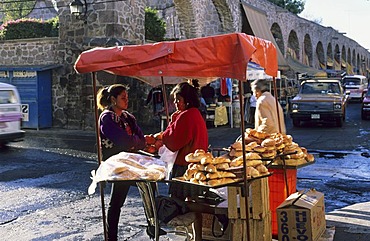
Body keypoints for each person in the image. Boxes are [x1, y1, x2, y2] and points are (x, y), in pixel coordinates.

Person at [97, 84, 149, 241]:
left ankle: (153, 224)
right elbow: (123, 141)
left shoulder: (128, 118)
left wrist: (134, 142)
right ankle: (111, 237)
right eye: (123, 98)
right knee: (116, 202)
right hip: (116, 164)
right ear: (113, 99)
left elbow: (142, 140)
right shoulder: (107, 118)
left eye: (127, 97)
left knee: (148, 186)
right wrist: (134, 142)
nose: (127, 101)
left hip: (130, 162)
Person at [162, 79, 209, 241]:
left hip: (184, 167)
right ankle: (196, 237)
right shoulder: (196, 114)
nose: (175, 103)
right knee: (193, 200)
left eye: (178, 100)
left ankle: (182, 235)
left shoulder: (186, 116)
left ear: (187, 100)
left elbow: (173, 141)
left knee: (180, 202)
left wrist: (172, 122)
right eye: (175, 100)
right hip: (196, 167)